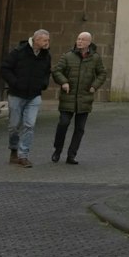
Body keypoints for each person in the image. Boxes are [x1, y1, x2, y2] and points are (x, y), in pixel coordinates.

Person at [50, 31, 108, 165]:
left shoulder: (95, 58)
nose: (79, 41)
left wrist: (94, 86)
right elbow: (57, 71)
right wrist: (63, 82)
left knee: (80, 128)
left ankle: (72, 155)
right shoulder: (67, 56)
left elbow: (102, 73)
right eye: (78, 39)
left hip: (85, 98)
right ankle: (57, 150)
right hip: (68, 97)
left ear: (89, 42)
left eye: (82, 39)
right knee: (63, 124)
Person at [0, 29, 52, 168]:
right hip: (17, 94)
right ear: (36, 40)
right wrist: (15, 83)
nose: (47, 43)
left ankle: (24, 155)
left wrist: (43, 84)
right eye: (45, 40)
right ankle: (13, 149)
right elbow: (5, 68)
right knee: (14, 125)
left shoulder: (46, 55)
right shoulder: (19, 52)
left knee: (29, 125)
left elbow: (47, 71)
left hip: (34, 95)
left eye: (48, 40)